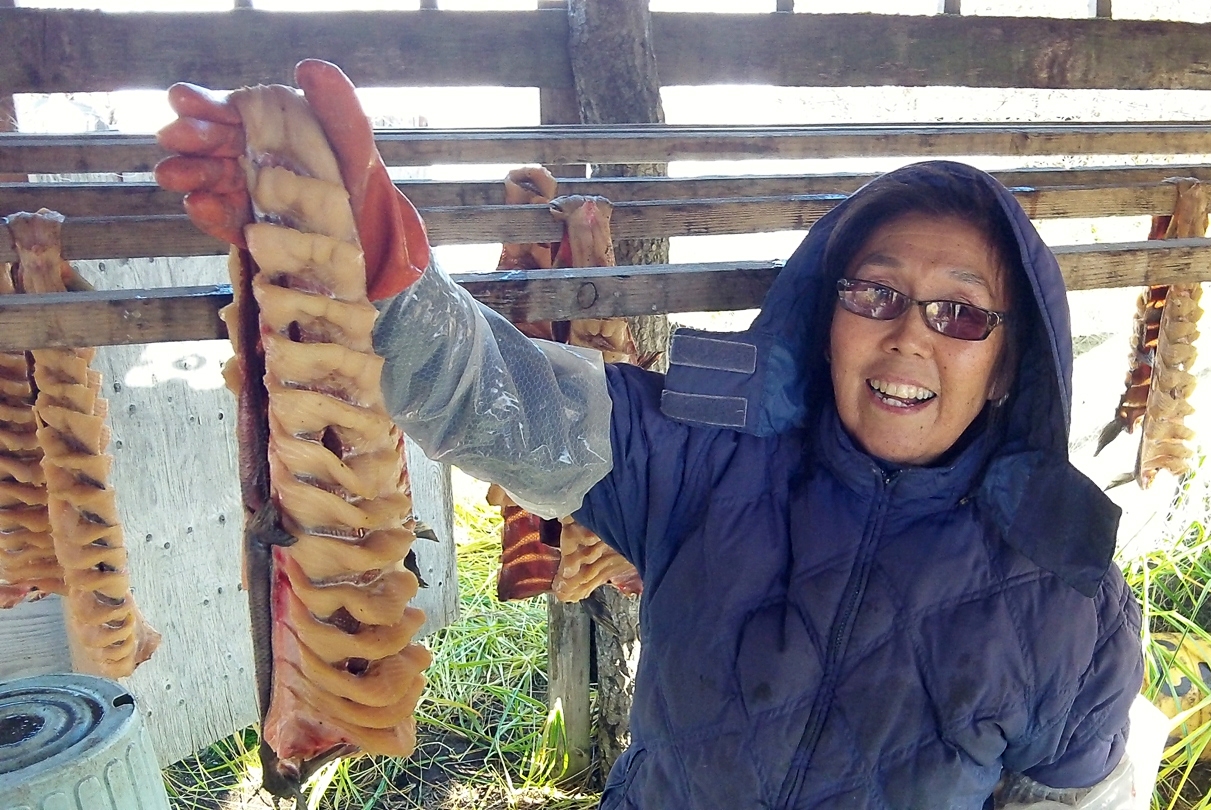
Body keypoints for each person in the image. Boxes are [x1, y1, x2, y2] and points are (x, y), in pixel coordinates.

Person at [157, 60, 1145, 810]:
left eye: (958, 315)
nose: (904, 338)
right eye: (873, 292)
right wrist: (371, 256)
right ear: (824, 312)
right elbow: (495, 401)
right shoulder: (706, 457)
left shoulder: (1076, 605)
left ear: (1008, 362)